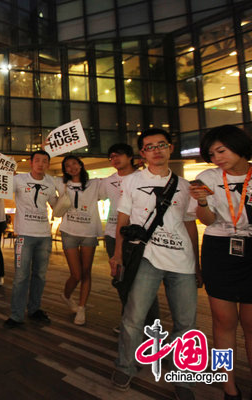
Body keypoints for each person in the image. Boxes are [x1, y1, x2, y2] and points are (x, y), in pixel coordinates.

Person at [109, 129, 201, 399]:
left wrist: (196, 263)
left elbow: (189, 225)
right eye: (150, 147)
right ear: (142, 154)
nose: (157, 150)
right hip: (146, 257)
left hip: (182, 261)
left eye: (161, 145)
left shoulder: (185, 186)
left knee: (187, 323)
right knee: (134, 317)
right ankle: (125, 365)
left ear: (170, 148)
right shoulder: (133, 181)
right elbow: (122, 222)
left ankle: (183, 377)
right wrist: (117, 255)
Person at [189, 125, 252, 400]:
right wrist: (202, 203)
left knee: (251, 323)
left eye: (221, 151)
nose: (216, 158)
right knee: (222, 320)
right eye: (212, 153)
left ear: (238, 146)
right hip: (218, 249)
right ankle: (229, 386)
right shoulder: (208, 177)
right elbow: (208, 220)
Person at [102, 143, 158, 334]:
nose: (115, 159)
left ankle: (150, 326)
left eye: (119, 155)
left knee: (145, 282)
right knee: (121, 280)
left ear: (130, 157)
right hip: (112, 234)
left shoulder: (142, 177)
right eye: (111, 157)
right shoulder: (108, 181)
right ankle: (129, 320)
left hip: (140, 237)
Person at [4, 150, 58, 328]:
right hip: (24, 235)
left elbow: (55, 206)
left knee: (40, 276)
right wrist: (5, 170)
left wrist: (67, 200)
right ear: (30, 162)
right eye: (37, 160)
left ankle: (34, 309)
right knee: (21, 276)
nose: (41, 164)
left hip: (44, 236)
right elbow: (1, 189)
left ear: (48, 164)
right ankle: (16, 315)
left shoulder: (50, 182)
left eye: (44, 161)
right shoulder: (18, 180)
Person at [58, 155, 104, 326]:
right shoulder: (61, 183)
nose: (72, 167)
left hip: (89, 232)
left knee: (86, 272)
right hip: (69, 231)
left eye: (74, 163)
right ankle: (66, 295)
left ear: (81, 165)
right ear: (65, 170)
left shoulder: (95, 184)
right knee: (76, 274)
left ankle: (82, 307)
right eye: (67, 165)